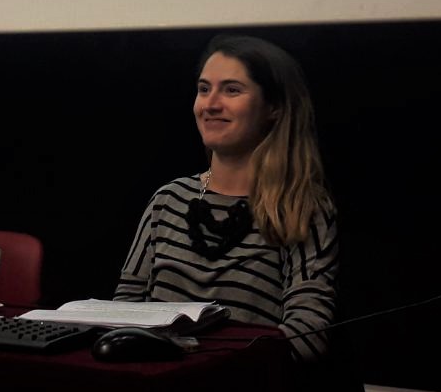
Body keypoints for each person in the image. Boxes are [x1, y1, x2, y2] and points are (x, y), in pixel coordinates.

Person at [113, 34, 340, 363]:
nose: (211, 104)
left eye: (232, 90)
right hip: (155, 383)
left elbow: (308, 334)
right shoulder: (167, 200)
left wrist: (206, 368)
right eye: (204, 89)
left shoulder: (298, 207)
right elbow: (123, 313)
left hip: (240, 387)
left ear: (274, 108)